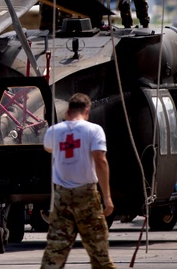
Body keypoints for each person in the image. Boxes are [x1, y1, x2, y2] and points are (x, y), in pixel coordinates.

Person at [40, 93, 116, 269]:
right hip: (87, 196)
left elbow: (48, 148)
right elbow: (100, 160)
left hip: (62, 197)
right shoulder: (94, 130)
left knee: (55, 252)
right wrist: (107, 196)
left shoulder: (54, 131)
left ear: (68, 111)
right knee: (99, 253)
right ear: (87, 110)